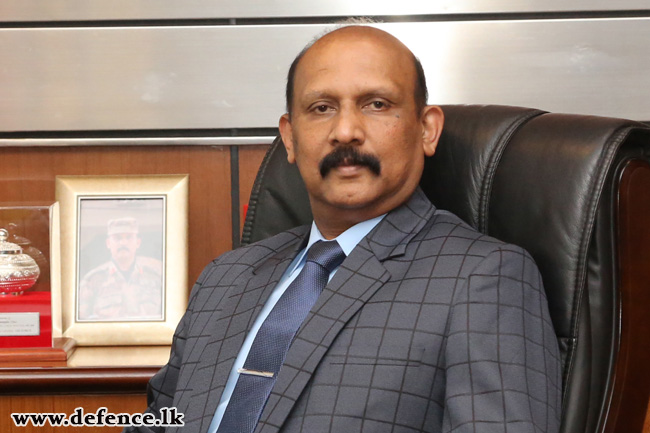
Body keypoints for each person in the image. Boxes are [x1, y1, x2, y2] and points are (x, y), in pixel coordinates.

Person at [128, 24, 561, 433]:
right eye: (322, 108)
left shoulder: (483, 277)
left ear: (427, 130)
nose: (346, 131)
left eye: (376, 104)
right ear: (291, 138)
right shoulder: (227, 277)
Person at [79, 217, 162, 321]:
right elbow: (81, 320)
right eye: (117, 238)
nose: (123, 243)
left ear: (138, 243)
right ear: (108, 243)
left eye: (129, 237)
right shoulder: (92, 280)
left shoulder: (156, 278)